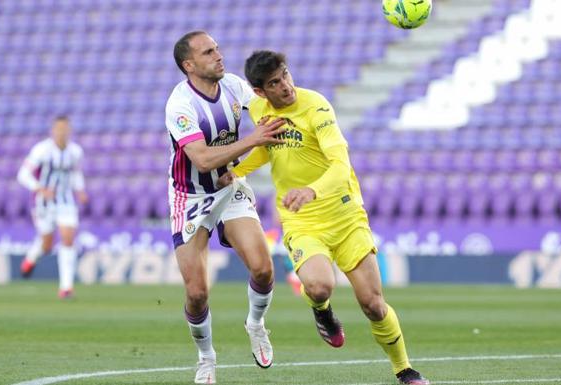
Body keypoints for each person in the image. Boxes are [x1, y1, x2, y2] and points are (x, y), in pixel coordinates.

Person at [218, 51, 430, 385]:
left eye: (285, 75)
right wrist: (237, 171)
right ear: (260, 92)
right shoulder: (259, 110)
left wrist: (312, 190)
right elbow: (266, 147)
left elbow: (340, 164)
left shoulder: (316, 106)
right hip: (302, 220)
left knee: (373, 304)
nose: (286, 86)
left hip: (345, 216)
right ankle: (323, 311)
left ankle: (404, 368)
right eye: (275, 82)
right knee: (318, 286)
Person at [166, 31, 286, 384]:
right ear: (189, 65)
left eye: (217, 48)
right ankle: (206, 357)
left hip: (230, 187)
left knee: (263, 269)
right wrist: (252, 140)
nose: (219, 55)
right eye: (208, 52)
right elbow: (201, 159)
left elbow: (267, 110)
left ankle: (256, 323)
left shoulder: (233, 85)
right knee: (197, 293)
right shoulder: (180, 105)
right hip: (191, 197)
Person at [17, 116, 87, 299]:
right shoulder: (42, 150)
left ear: (69, 131)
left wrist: (80, 191)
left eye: (65, 129)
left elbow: (75, 174)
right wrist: (40, 188)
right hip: (43, 203)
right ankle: (31, 258)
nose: (62, 132)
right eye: (59, 129)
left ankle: (66, 287)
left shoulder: (75, 152)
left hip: (66, 201)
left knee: (68, 237)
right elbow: (23, 175)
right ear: (53, 131)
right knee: (47, 244)